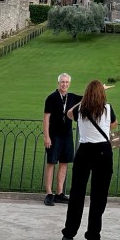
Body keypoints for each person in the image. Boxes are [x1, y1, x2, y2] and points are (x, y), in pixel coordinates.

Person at [62, 80, 117, 240]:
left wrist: (83, 100)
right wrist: (114, 146)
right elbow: (114, 127)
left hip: (84, 150)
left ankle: (69, 232)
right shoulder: (107, 108)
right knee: (99, 195)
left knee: (77, 193)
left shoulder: (80, 109)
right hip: (103, 151)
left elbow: (68, 114)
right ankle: (93, 236)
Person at [43, 72, 81, 206]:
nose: (64, 84)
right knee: (51, 163)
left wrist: (100, 89)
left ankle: (59, 193)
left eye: (66, 82)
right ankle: (49, 193)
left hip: (67, 135)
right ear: (58, 83)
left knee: (64, 163)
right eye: (62, 82)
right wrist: (46, 136)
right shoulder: (51, 98)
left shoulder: (72, 97)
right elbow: (46, 118)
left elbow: (88, 97)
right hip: (54, 135)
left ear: (69, 83)